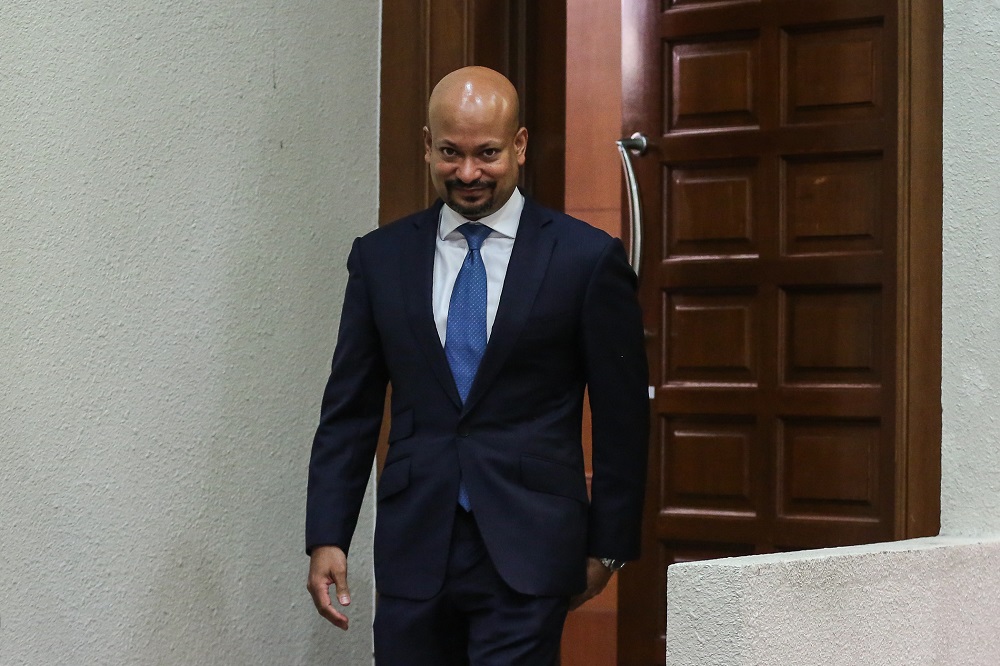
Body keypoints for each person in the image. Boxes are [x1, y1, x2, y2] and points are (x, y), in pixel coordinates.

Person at [305, 66, 649, 665]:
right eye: (451, 153)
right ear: (427, 147)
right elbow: (350, 407)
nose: (468, 174)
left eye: (487, 153)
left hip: (530, 545)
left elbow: (622, 419)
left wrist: (610, 546)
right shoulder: (380, 259)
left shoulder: (586, 260)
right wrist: (328, 533)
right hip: (416, 545)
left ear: (518, 145)